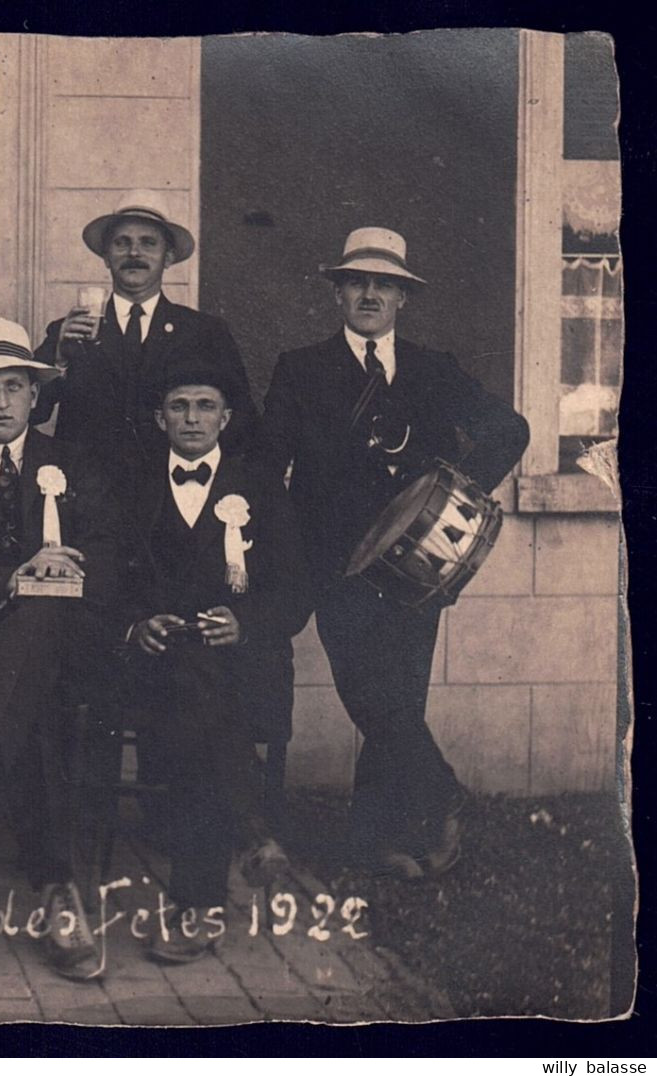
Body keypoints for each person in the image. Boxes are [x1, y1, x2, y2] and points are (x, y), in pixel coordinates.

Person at [251, 227, 529, 879]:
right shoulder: (301, 368)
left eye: (384, 285)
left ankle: (380, 843)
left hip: (415, 567)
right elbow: (267, 463)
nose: (369, 294)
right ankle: (441, 794)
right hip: (337, 565)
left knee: (398, 697)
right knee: (369, 694)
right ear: (337, 293)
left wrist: (447, 495)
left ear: (402, 298)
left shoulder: (433, 369)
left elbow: (508, 431)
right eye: (357, 282)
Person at [0, 318, 131, 982]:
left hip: (66, 641)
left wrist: (63, 566)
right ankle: (57, 891)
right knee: (31, 688)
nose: (2, 402)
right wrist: (11, 578)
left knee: (41, 626)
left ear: (37, 397)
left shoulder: (73, 465)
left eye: (14, 387)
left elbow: (115, 559)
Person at [125, 366, 311, 964]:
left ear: (226, 418)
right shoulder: (131, 484)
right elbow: (105, 577)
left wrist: (245, 623)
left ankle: (194, 907)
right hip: (152, 666)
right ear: (160, 419)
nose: (192, 418)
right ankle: (252, 835)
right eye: (179, 405)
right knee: (194, 697)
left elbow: (293, 592)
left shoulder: (258, 486)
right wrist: (136, 624)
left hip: (238, 666)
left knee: (201, 708)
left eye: (206, 406)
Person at [33, 191, 255, 491]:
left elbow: (242, 420)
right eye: (121, 243)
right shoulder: (69, 331)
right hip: (88, 499)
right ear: (106, 257)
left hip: (172, 498)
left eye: (148, 243)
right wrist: (58, 359)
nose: (134, 253)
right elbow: (33, 411)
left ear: (169, 257)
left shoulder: (204, 331)